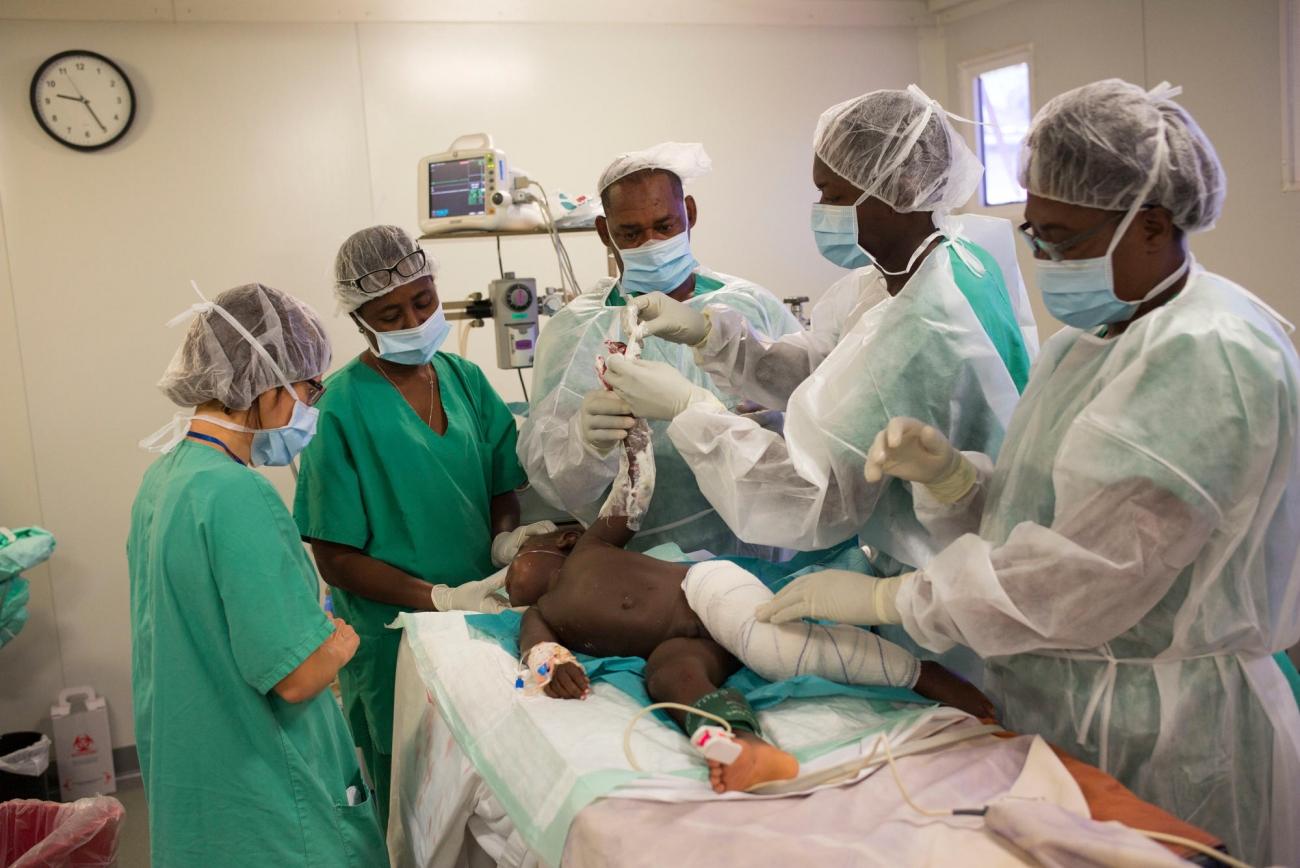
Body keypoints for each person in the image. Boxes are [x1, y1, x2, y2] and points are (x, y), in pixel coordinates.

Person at [762, 80, 1300, 867]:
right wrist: (955, 480)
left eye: (1063, 238)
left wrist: (894, 599)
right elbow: (1040, 515)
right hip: (1076, 704)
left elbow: (1085, 576)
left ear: (1151, 225)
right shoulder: (1091, 339)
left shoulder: (1208, 355)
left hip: (1174, 733)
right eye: (1033, 234)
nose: (1042, 258)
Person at [603, 88, 1034, 684]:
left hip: (953, 590)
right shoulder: (914, 271)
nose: (820, 211)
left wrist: (689, 409)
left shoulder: (924, 323)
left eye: (832, 195)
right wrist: (712, 336)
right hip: (940, 566)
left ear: (897, 191)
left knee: (974, 724)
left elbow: (814, 500)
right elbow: (826, 369)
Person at [502, 432, 994, 794]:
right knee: (668, 680)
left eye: (521, 553)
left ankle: (918, 674)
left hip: (703, 590)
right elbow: (537, 648)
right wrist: (553, 663)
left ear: (560, 540)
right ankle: (736, 741)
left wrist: (636, 440)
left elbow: (632, 496)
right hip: (678, 643)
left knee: (773, 649)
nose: (510, 571)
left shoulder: (589, 547)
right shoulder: (541, 611)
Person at [293, 225, 542, 829]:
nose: (413, 320)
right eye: (391, 313)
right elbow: (335, 556)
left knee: (489, 802)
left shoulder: (464, 379)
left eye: (423, 301)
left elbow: (499, 486)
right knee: (413, 810)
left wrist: (504, 539)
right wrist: (438, 597)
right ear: (361, 322)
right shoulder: (339, 408)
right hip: (394, 640)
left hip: (484, 622)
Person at [129, 284, 387, 866]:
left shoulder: (164, 481)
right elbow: (295, 677)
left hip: (199, 785)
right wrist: (342, 640)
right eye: (309, 387)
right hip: (268, 799)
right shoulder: (237, 493)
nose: (311, 406)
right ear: (268, 383)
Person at [517, 142, 800, 559]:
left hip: (760, 554)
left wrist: (762, 423)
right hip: (639, 569)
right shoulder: (573, 332)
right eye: (630, 233)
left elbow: (815, 422)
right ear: (603, 232)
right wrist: (583, 444)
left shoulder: (751, 309)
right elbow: (554, 480)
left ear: (690, 212)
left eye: (664, 226)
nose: (651, 243)